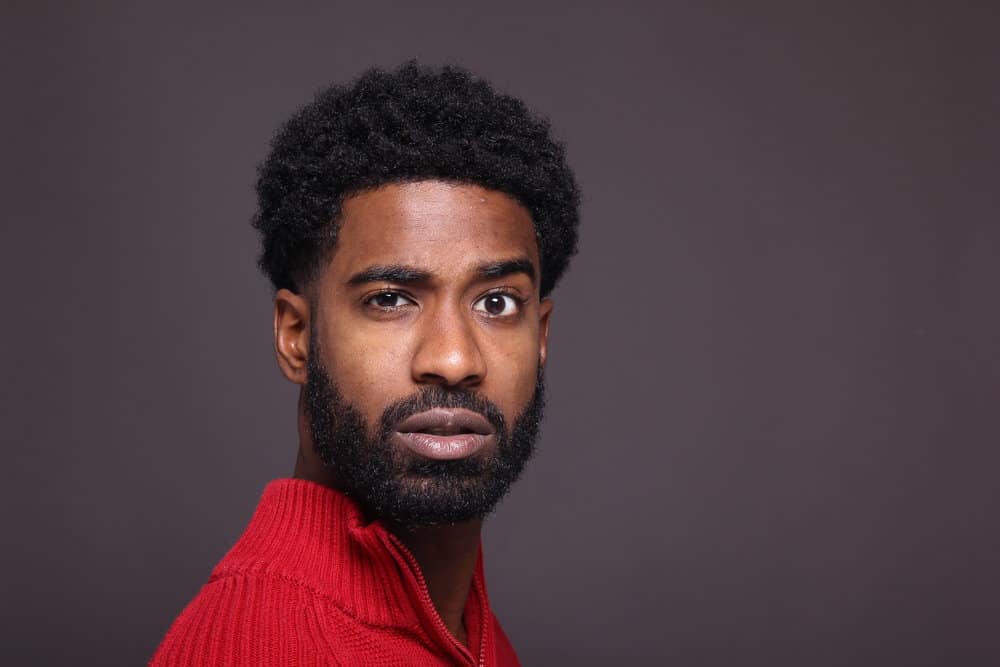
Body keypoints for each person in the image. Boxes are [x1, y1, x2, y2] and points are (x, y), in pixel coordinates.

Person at [150, 61, 580, 666]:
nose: (454, 360)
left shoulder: (456, 627)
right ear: (297, 336)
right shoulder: (259, 645)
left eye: (496, 302)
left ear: (541, 335)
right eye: (390, 300)